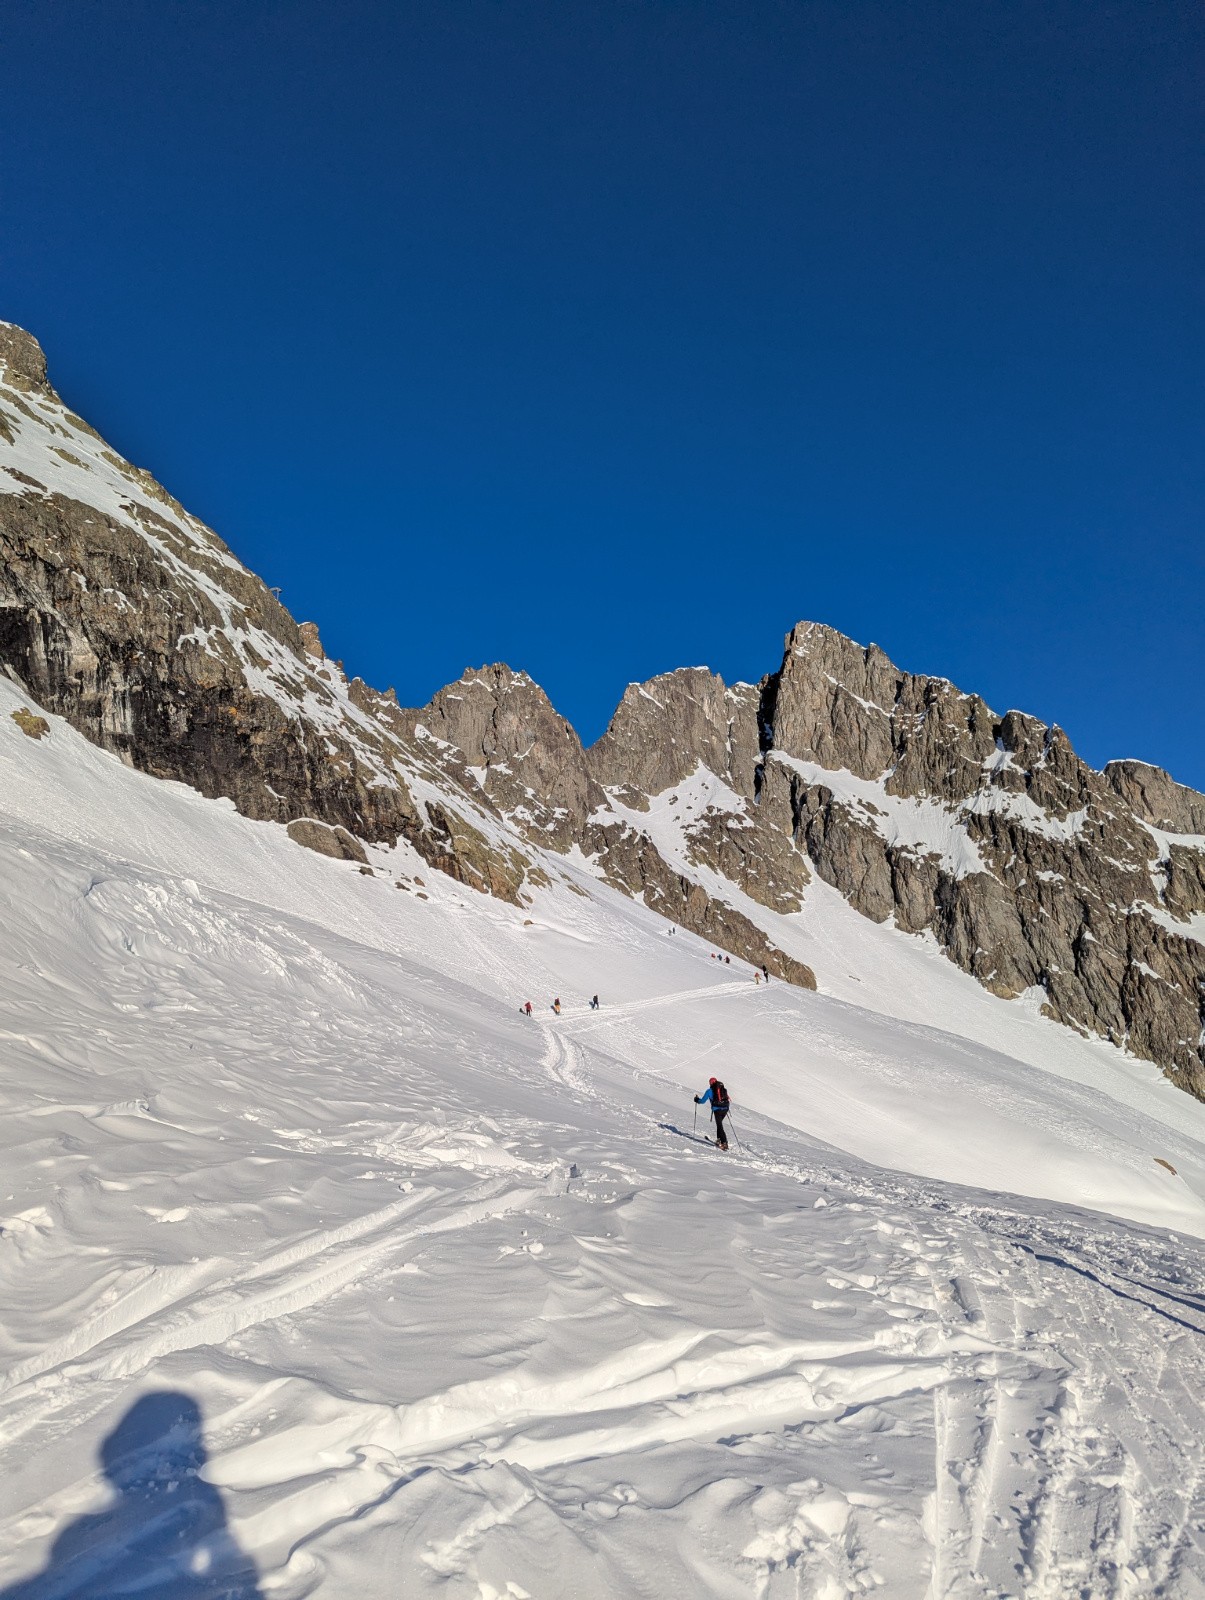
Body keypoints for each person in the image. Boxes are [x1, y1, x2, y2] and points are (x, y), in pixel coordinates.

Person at [694, 1076, 731, 1151]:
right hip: (725, 1109)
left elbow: (702, 1101)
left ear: (710, 1083)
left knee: (720, 1126)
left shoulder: (709, 1091)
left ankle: (724, 1143)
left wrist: (697, 1100)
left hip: (717, 1110)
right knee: (719, 1124)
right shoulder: (722, 1089)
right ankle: (719, 1140)